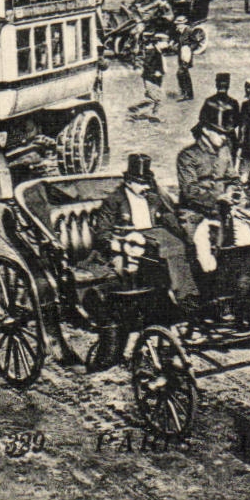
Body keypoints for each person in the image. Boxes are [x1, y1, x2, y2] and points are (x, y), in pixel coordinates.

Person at [83, 152, 195, 371]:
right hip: (125, 252)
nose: (145, 187)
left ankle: (183, 299)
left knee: (176, 252)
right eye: (140, 183)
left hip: (152, 249)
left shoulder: (153, 198)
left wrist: (185, 233)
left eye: (147, 182)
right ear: (128, 181)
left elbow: (170, 220)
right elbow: (102, 234)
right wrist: (118, 245)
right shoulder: (114, 201)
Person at [127, 35, 165, 122]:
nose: (165, 45)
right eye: (163, 42)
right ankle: (133, 110)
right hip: (150, 78)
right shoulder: (152, 52)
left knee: (154, 98)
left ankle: (154, 115)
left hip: (155, 79)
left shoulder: (157, 51)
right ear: (157, 43)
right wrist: (155, 72)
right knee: (155, 99)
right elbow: (146, 65)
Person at [198, 72, 241, 137]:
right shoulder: (233, 102)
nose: (222, 89)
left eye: (223, 87)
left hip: (215, 137)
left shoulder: (209, 101)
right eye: (221, 87)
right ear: (228, 86)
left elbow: (202, 118)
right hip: (220, 136)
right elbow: (237, 121)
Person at [174, 20, 195, 102]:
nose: (177, 26)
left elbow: (195, 42)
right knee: (185, 74)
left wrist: (189, 49)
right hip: (181, 56)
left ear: (183, 24)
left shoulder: (189, 31)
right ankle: (188, 94)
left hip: (186, 56)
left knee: (180, 73)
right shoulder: (180, 32)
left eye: (179, 24)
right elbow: (179, 42)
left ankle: (185, 93)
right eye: (177, 24)